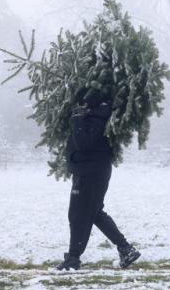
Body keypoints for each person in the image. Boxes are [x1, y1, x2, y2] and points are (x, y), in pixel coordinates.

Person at [56, 90, 140, 271]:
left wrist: (78, 119)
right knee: (94, 213)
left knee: (78, 215)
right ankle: (126, 249)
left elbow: (84, 144)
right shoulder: (96, 116)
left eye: (82, 104)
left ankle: (73, 258)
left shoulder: (96, 119)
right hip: (89, 172)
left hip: (90, 174)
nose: (79, 107)